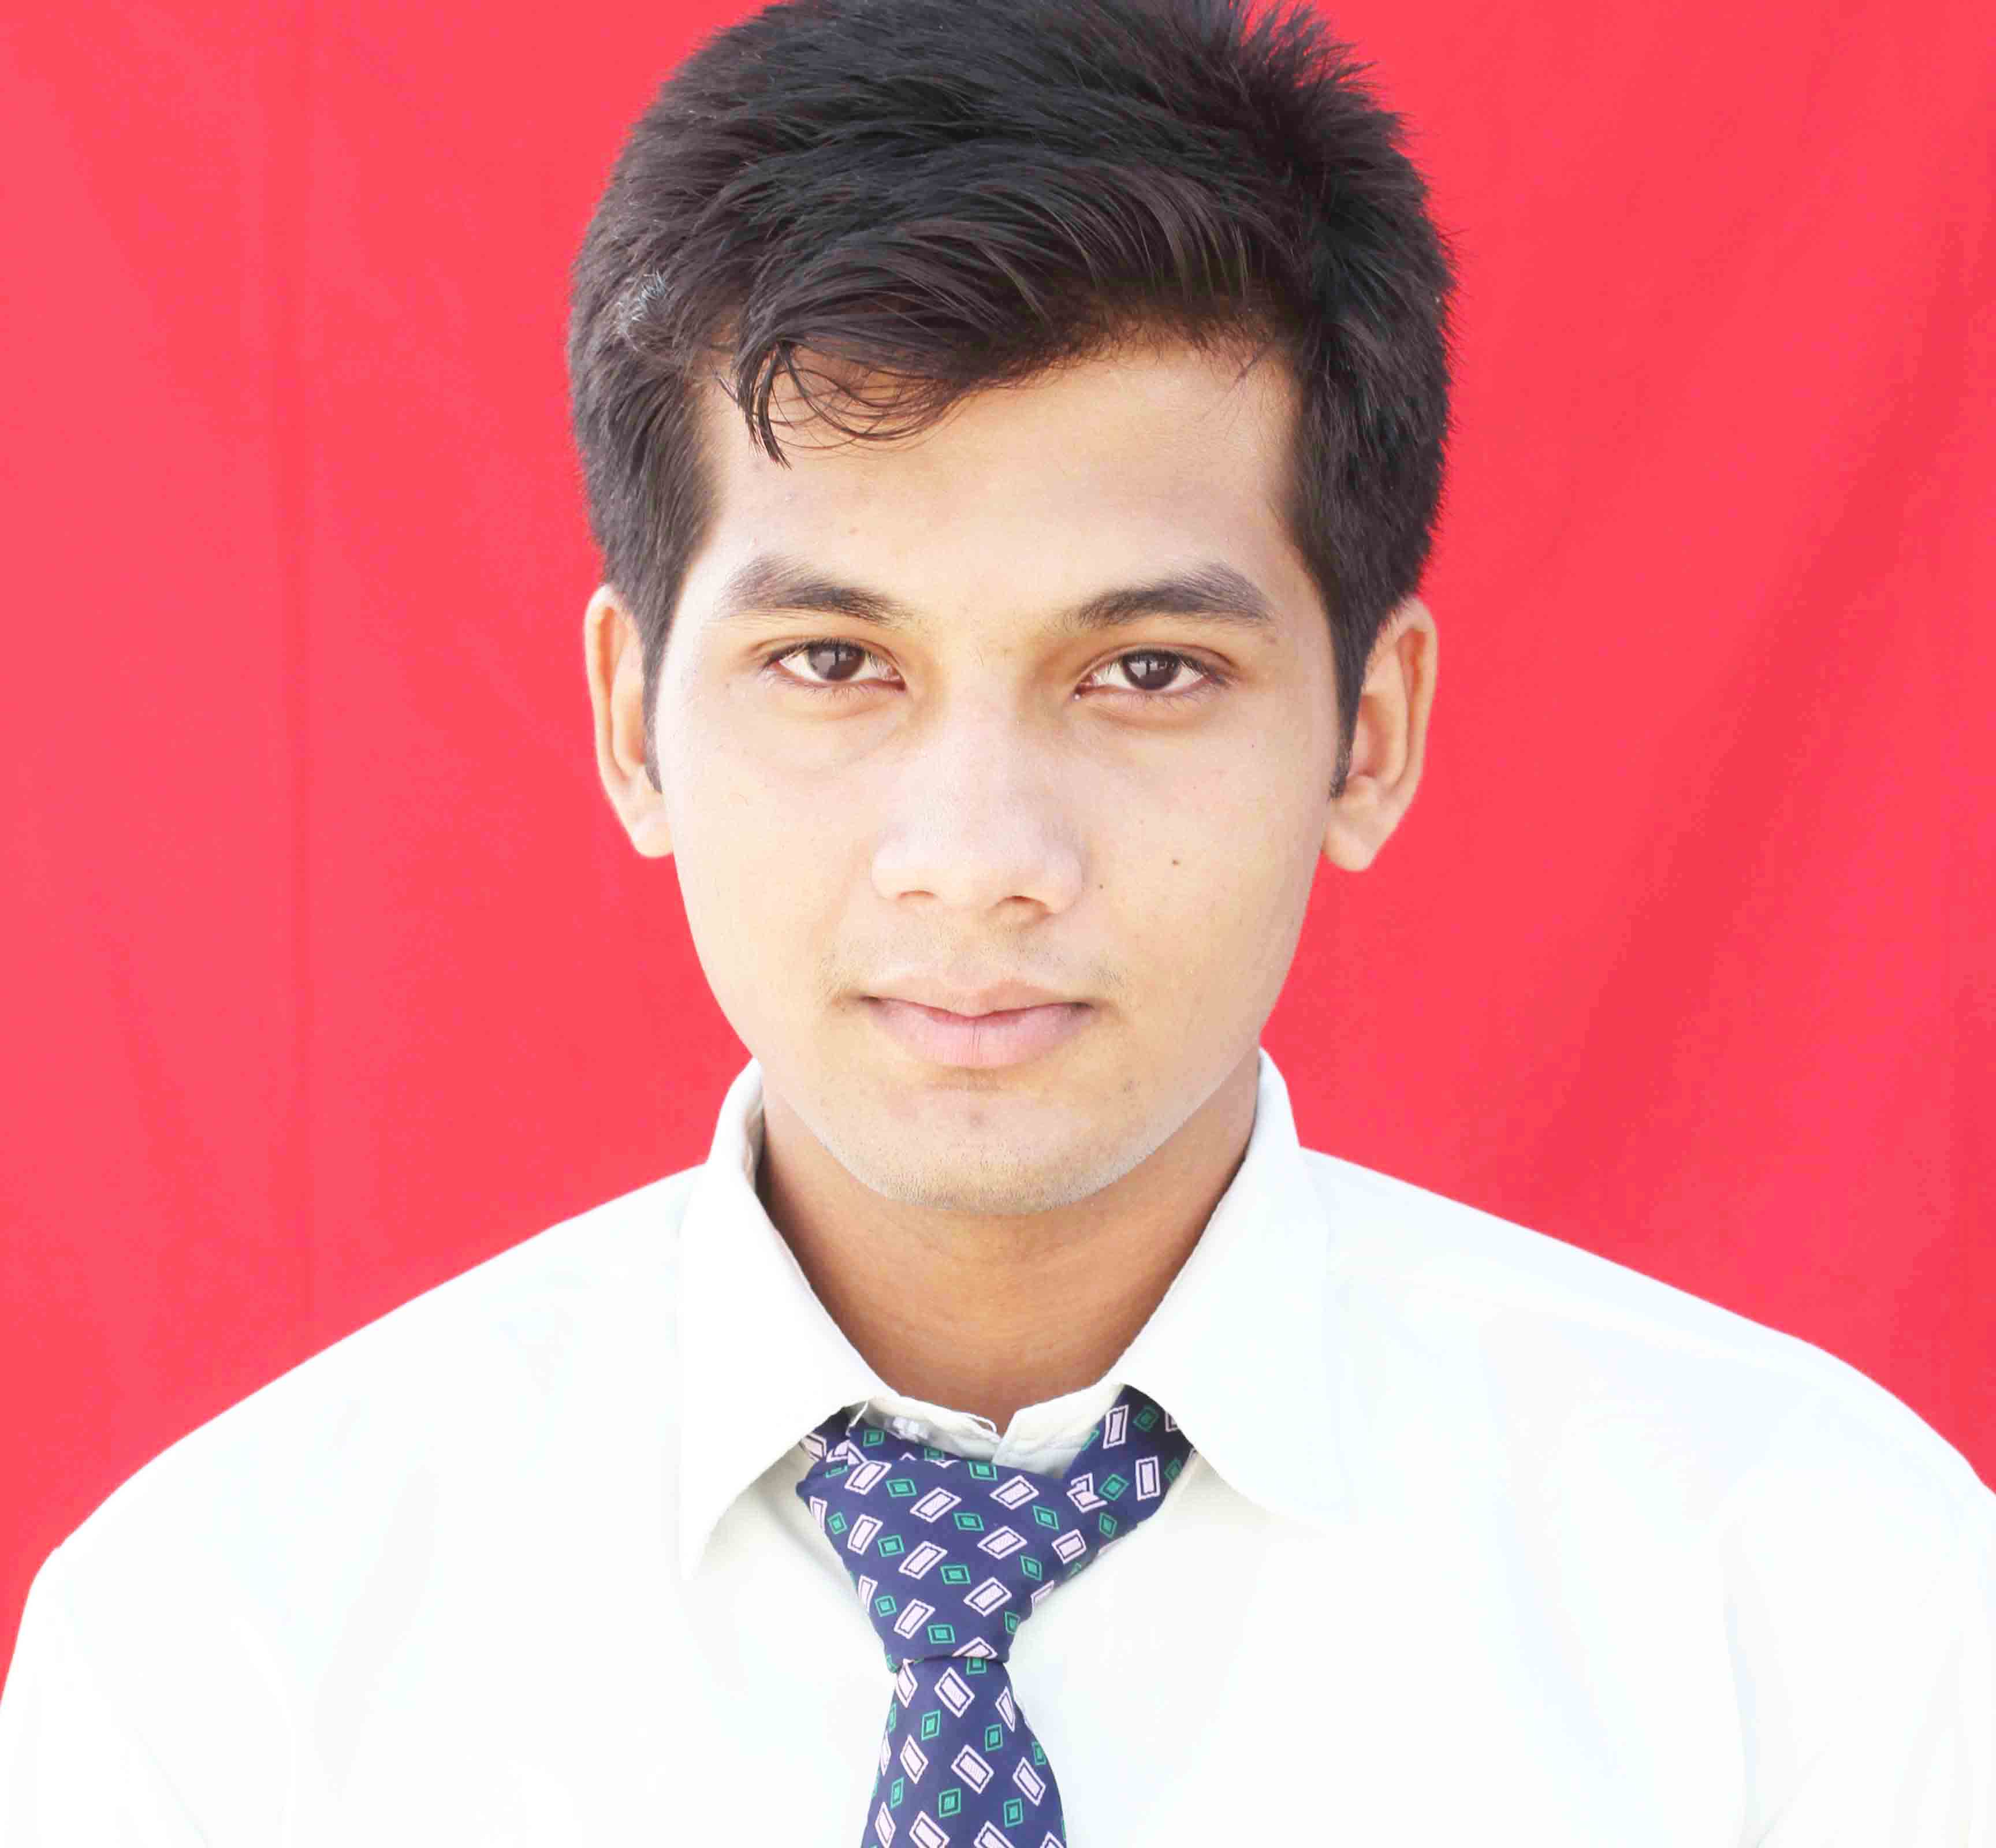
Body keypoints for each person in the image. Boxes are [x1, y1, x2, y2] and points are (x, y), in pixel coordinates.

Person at [3, 0, 1991, 1839]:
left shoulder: (1818, 1611)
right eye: (831, 663)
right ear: (632, 719)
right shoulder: (225, 1657)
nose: (976, 855)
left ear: (1369, 734)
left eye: (1145, 673)